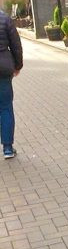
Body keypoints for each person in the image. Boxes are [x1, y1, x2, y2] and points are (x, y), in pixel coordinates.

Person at [0, 8, 23, 159]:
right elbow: (16, 45)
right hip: (3, 69)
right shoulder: (5, 19)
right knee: (6, 107)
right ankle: (7, 148)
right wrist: (18, 65)